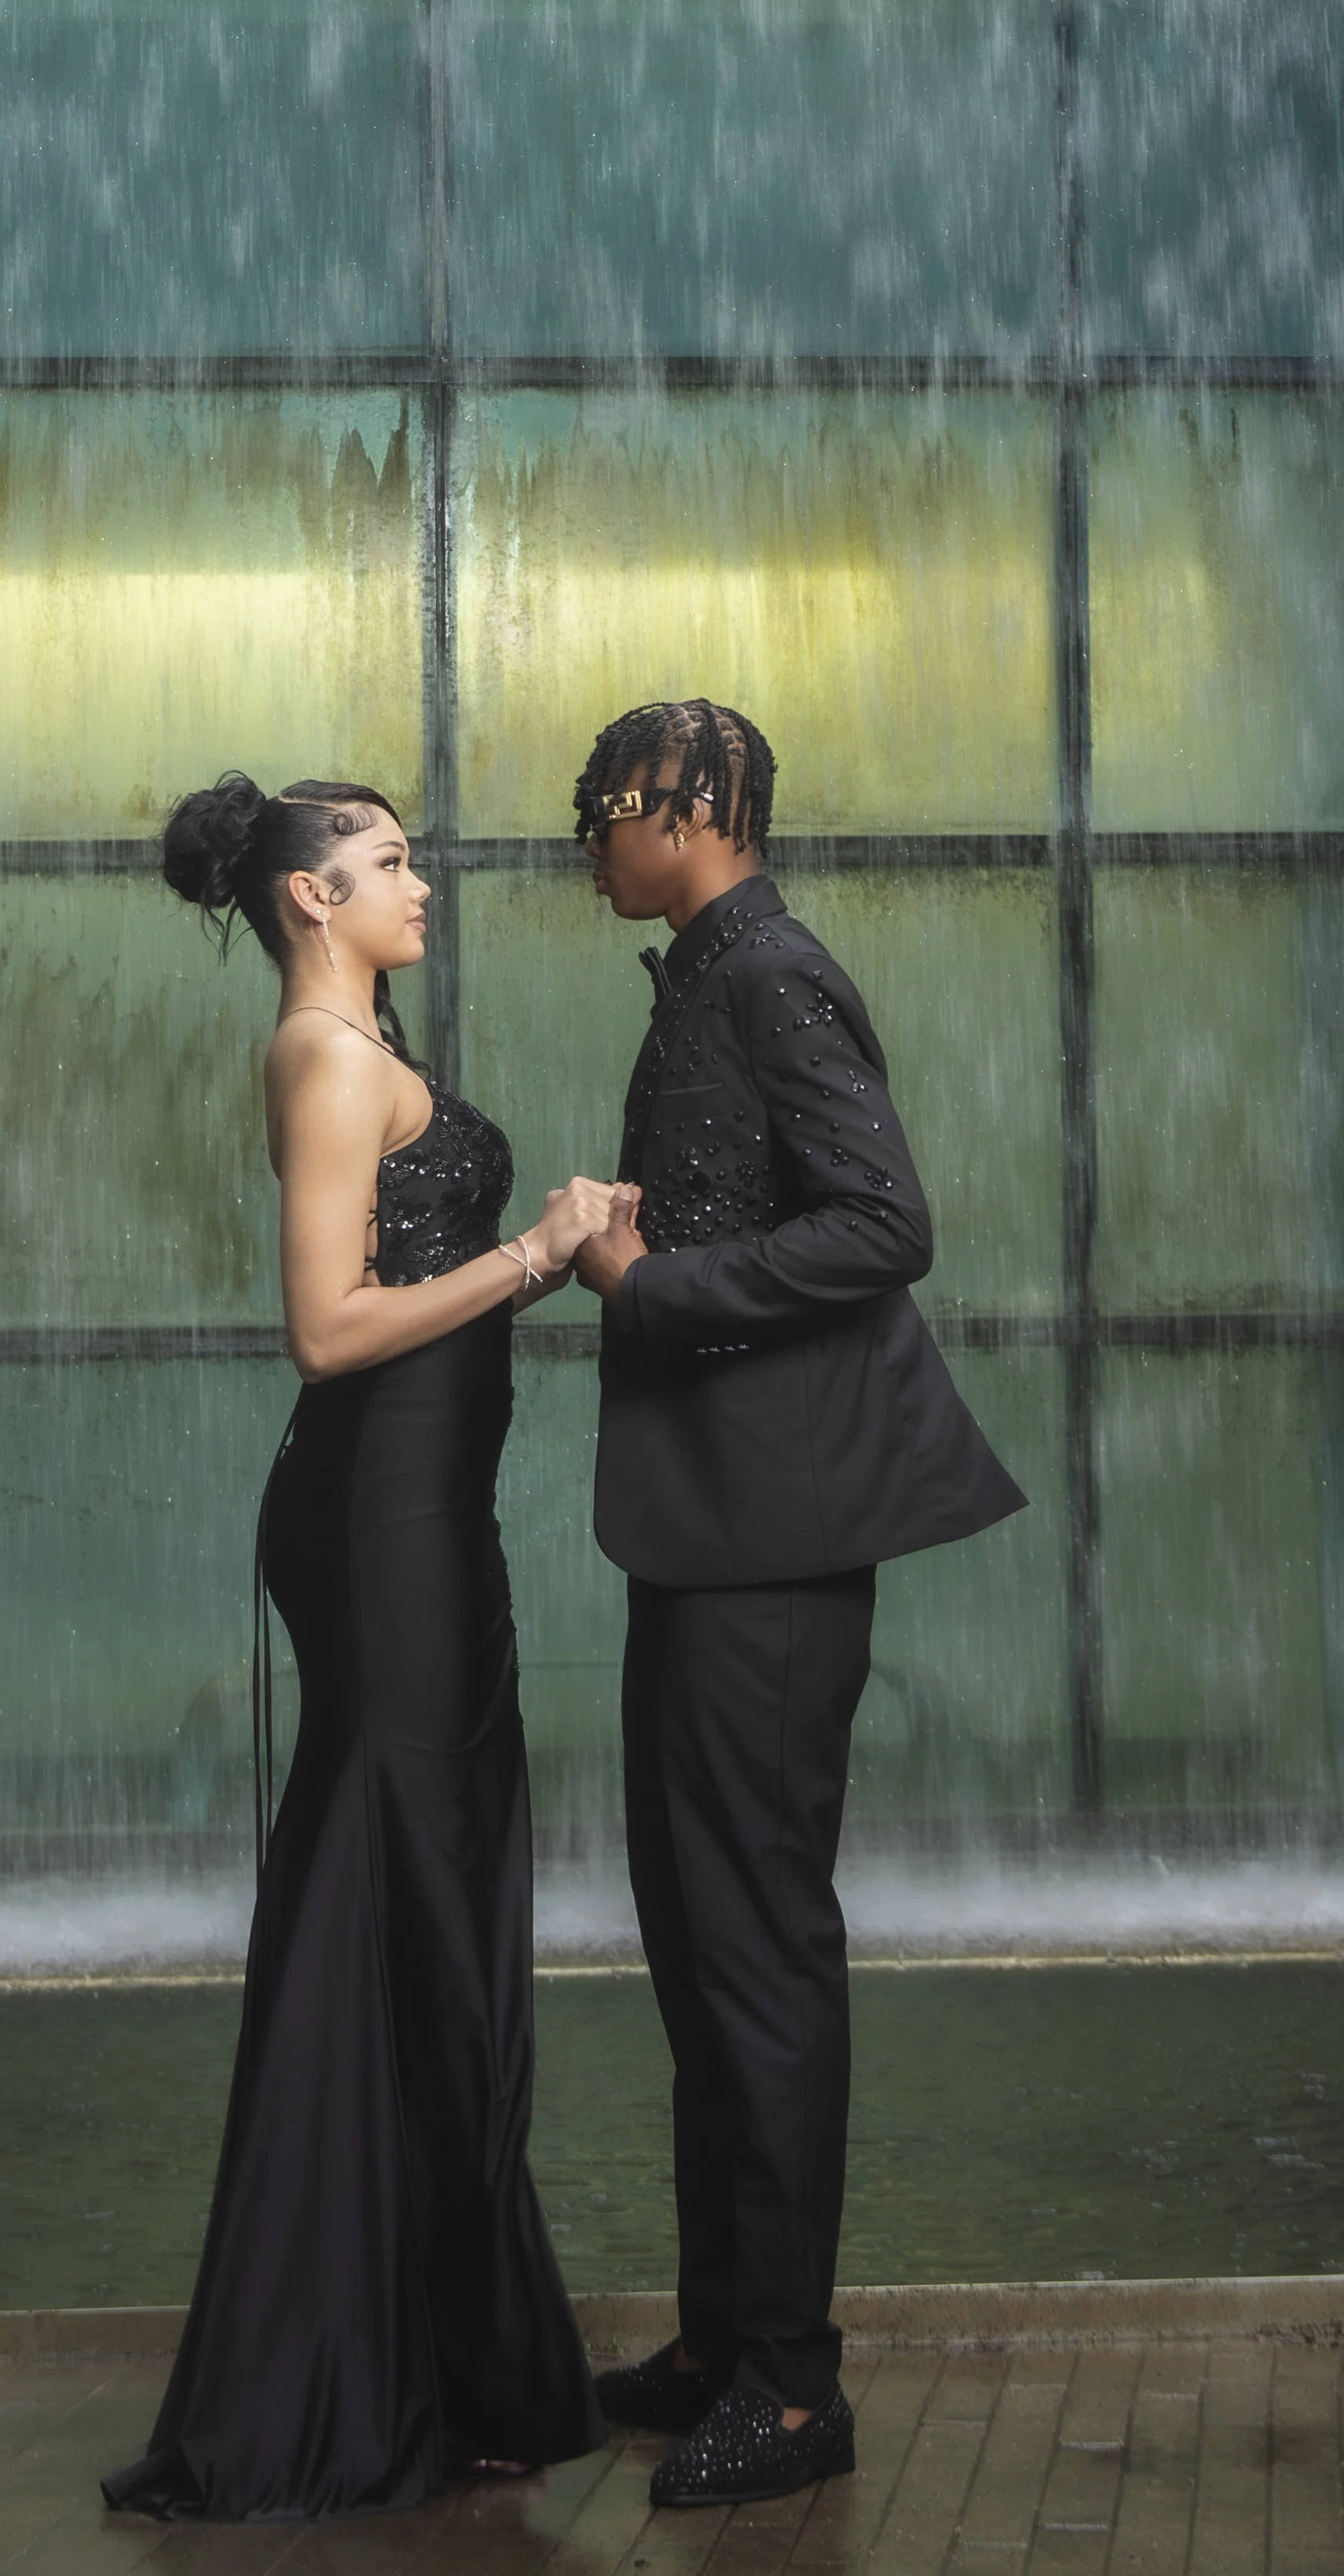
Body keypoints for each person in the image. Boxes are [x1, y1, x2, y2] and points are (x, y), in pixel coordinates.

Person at [102, 773, 610, 2521]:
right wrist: (535, 1253)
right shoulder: (323, 1059)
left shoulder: (362, 1044)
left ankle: (416, 2353)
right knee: (402, 1916)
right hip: (378, 1525)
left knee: (410, 1920)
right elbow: (326, 1331)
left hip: (420, 1526)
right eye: (390, 862)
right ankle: (345, 2379)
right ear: (310, 899)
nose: (422, 880)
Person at [570, 701, 1026, 2510]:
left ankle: (790, 2384)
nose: (584, 847)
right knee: (697, 1942)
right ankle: (719, 2333)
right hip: (708, 1534)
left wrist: (647, 1274)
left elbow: (881, 1221)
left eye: (599, 813)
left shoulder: (767, 976)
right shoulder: (707, 966)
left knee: (751, 1949)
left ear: (685, 811)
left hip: (765, 1549)